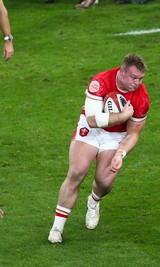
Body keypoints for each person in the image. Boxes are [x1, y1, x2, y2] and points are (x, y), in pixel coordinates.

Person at [48, 53, 150, 243]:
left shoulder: (141, 97)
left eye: (141, 78)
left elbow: (134, 133)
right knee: (76, 172)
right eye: (133, 77)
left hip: (115, 136)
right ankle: (57, 227)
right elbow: (93, 120)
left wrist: (121, 153)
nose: (137, 82)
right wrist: (121, 116)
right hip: (91, 130)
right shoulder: (100, 82)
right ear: (122, 72)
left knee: (104, 182)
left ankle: (94, 201)